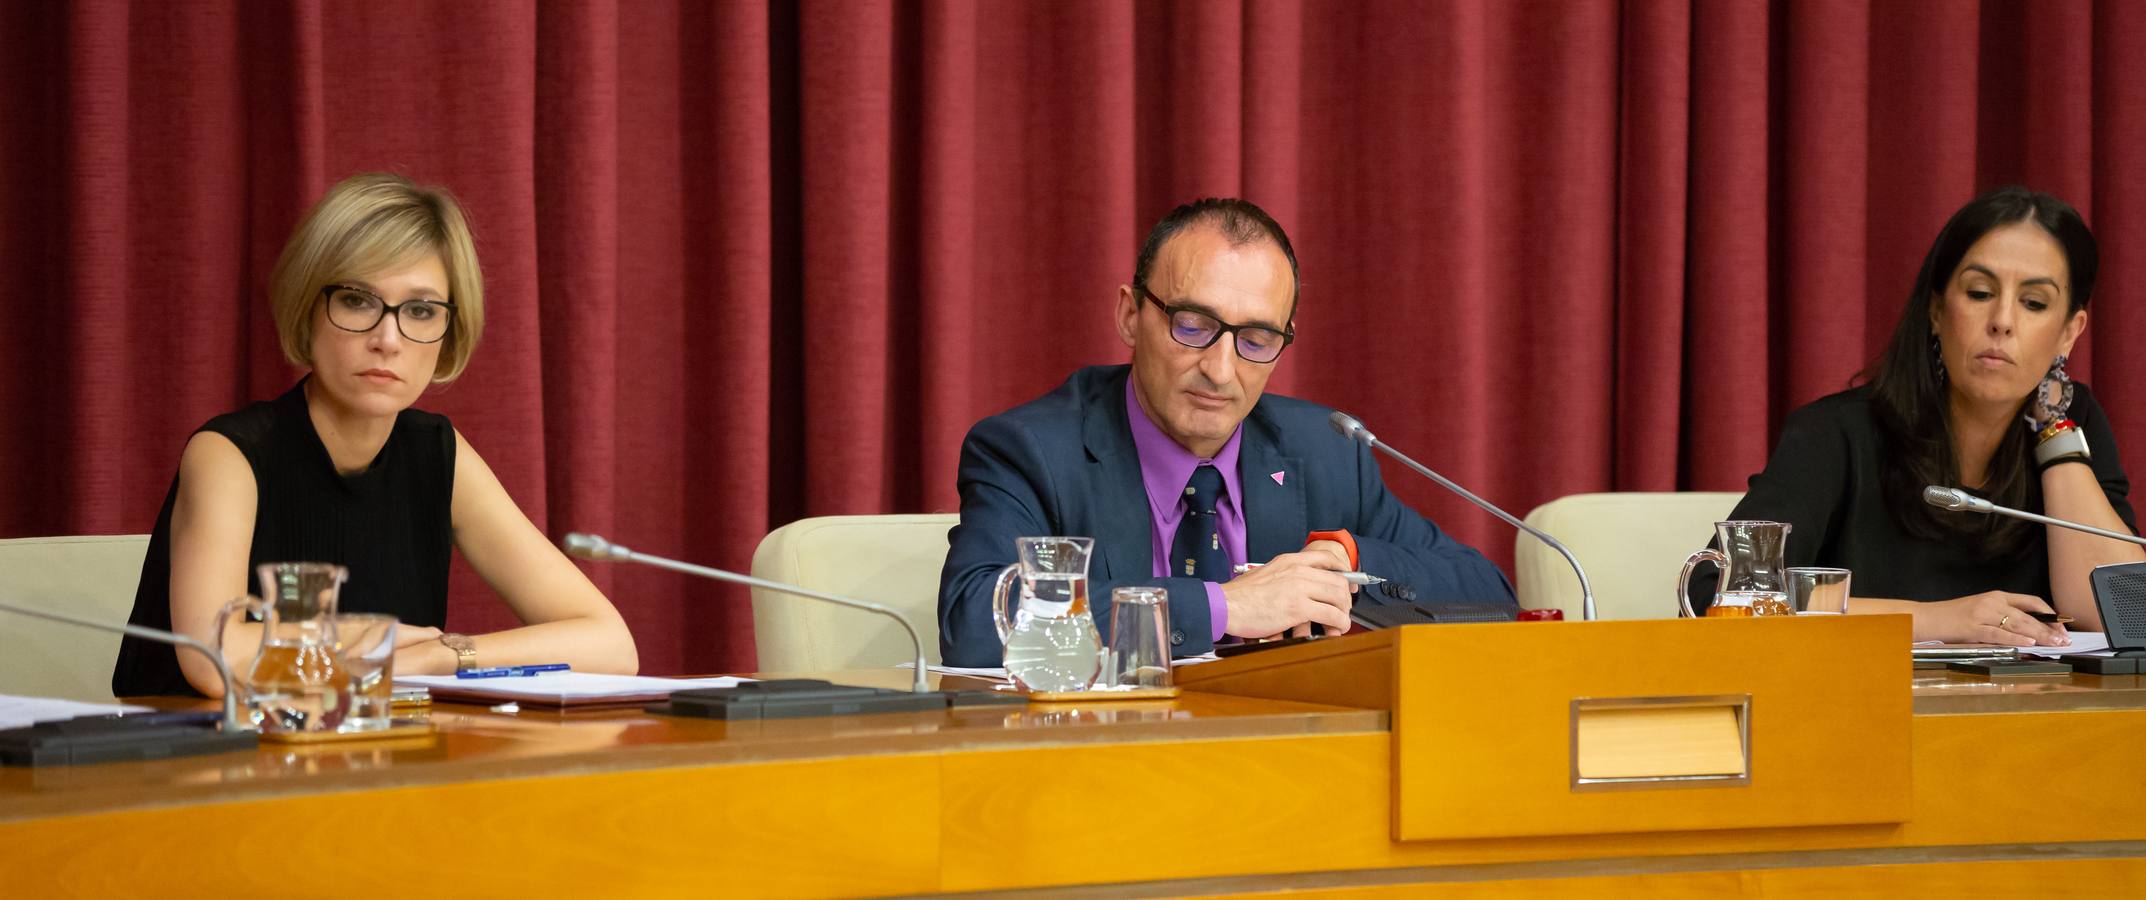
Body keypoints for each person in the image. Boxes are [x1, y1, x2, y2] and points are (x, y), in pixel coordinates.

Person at [113, 173, 638, 697]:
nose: (387, 339)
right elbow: (216, 660)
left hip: (369, 762)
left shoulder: (437, 453)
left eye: (421, 310)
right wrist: (371, 639)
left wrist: (444, 655)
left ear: (447, 332)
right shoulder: (229, 454)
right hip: (200, 765)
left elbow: (611, 645)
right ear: (309, 308)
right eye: (358, 301)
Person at [937, 198, 1515, 667]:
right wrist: (1222, 607)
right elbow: (974, 620)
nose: (1220, 369)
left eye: (1256, 340)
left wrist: (1347, 559)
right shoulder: (1033, 451)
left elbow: (1489, 597)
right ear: (1130, 316)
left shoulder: (1326, 451)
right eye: (1193, 326)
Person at [1690, 186, 2141, 646]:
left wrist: (2055, 436)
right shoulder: (1837, 435)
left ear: (2069, 332)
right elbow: (1720, 594)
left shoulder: (2072, 425)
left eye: (2034, 303)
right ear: (1937, 310)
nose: (2003, 320)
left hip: (2029, 712)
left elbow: (2123, 612)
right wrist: (1936, 620)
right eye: (1980, 292)